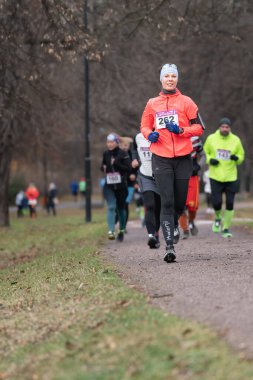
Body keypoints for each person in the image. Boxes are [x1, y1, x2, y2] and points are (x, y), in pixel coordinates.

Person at [140, 63, 204, 263]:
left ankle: (175, 222)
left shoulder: (187, 102)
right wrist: (150, 135)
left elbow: (199, 128)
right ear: (161, 79)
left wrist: (181, 130)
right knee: (166, 202)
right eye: (166, 76)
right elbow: (144, 126)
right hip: (161, 158)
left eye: (173, 76)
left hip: (183, 158)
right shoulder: (152, 103)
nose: (170, 79)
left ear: (177, 79)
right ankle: (169, 247)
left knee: (179, 202)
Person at [203, 117, 245, 237]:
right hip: (215, 176)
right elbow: (205, 152)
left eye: (227, 127)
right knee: (217, 203)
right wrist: (210, 160)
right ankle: (217, 218)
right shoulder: (211, 138)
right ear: (219, 127)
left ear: (230, 128)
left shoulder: (236, 140)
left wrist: (237, 158)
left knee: (230, 203)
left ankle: (226, 228)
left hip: (231, 176)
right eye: (223, 127)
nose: (225, 129)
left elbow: (241, 155)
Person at [132, 132, 161, 248]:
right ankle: (151, 235)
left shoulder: (162, 134)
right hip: (145, 176)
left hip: (160, 176)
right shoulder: (138, 136)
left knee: (158, 209)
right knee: (149, 205)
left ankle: (156, 234)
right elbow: (134, 149)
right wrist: (134, 159)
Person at [101, 133, 132, 241]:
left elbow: (128, 168)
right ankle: (111, 230)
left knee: (120, 208)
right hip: (109, 186)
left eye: (112, 142)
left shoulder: (123, 153)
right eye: (108, 142)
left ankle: (122, 230)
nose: (109, 144)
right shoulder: (105, 154)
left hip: (121, 186)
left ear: (117, 142)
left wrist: (117, 164)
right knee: (111, 206)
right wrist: (103, 167)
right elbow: (103, 165)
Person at [179, 136, 205, 238]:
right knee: (181, 205)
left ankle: (191, 221)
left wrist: (199, 166)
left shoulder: (195, 139)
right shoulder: (174, 135)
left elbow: (203, 155)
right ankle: (185, 230)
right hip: (179, 175)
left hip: (192, 175)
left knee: (192, 206)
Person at [119, 137, 137, 231]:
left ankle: (124, 226)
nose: (124, 147)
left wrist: (133, 174)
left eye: (126, 145)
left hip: (129, 183)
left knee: (125, 204)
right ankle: (119, 221)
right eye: (122, 145)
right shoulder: (117, 154)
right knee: (119, 204)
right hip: (120, 182)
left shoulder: (131, 154)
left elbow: (135, 166)